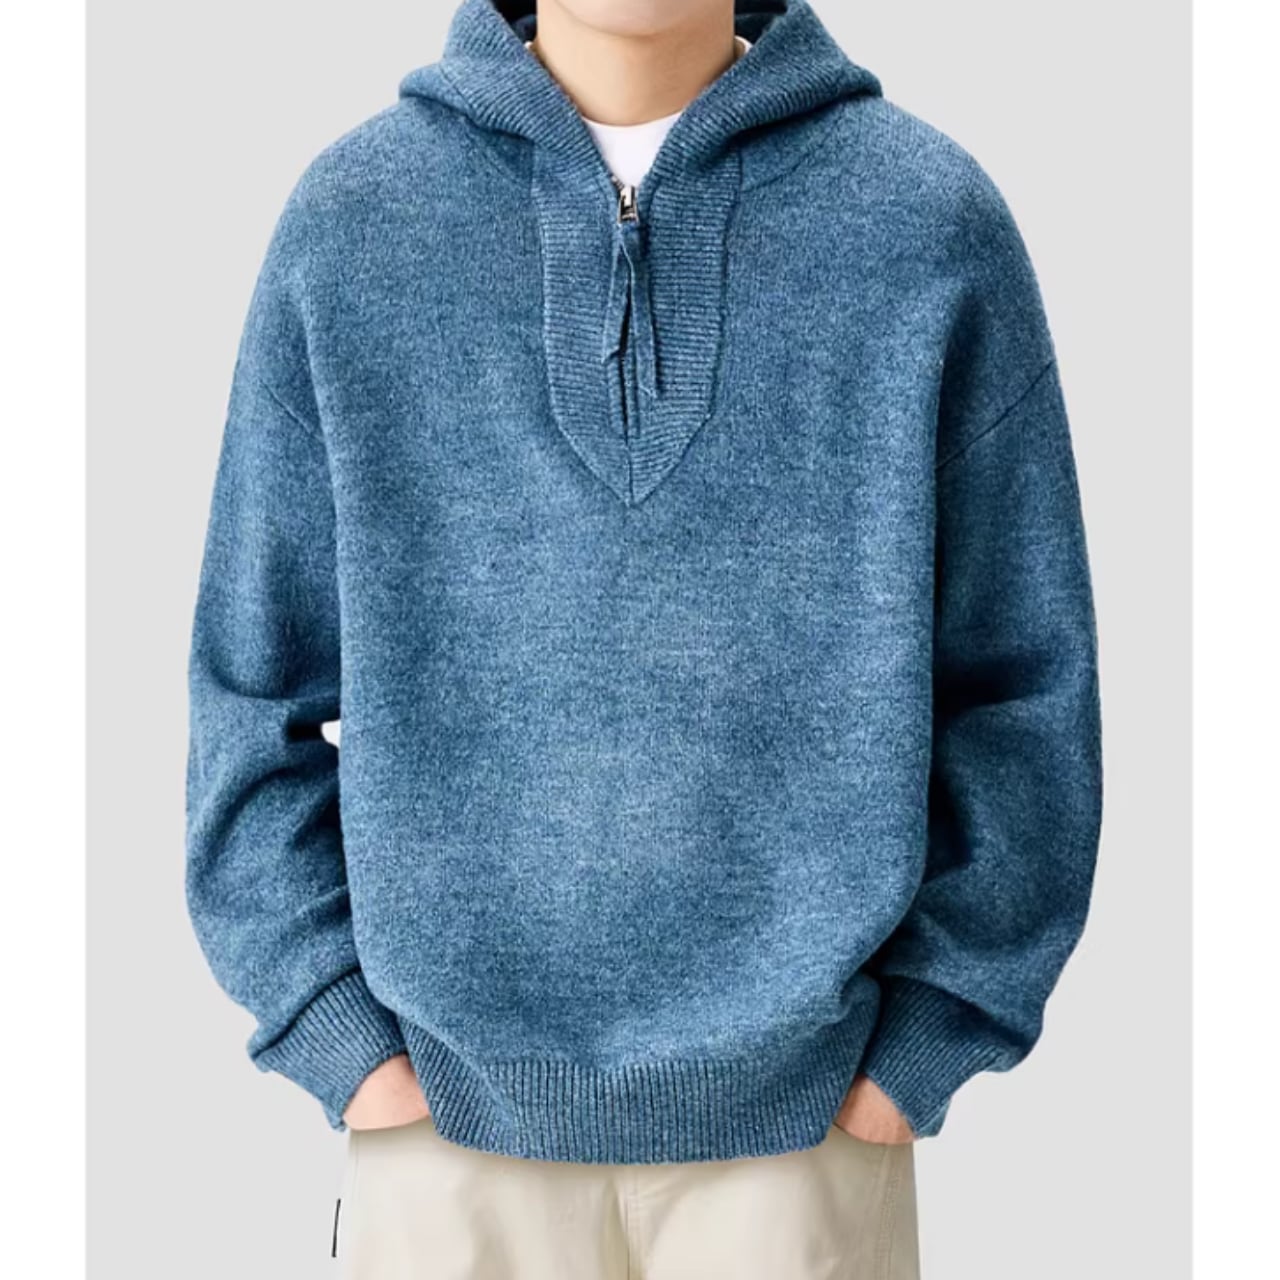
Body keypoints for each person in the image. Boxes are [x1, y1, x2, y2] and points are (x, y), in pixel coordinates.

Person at [183, 0, 1104, 1275]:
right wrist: (336, 1030)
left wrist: (925, 1038)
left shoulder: (924, 222)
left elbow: (1023, 682)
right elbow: (250, 687)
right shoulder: (353, 221)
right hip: (443, 1138)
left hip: (806, 1137)